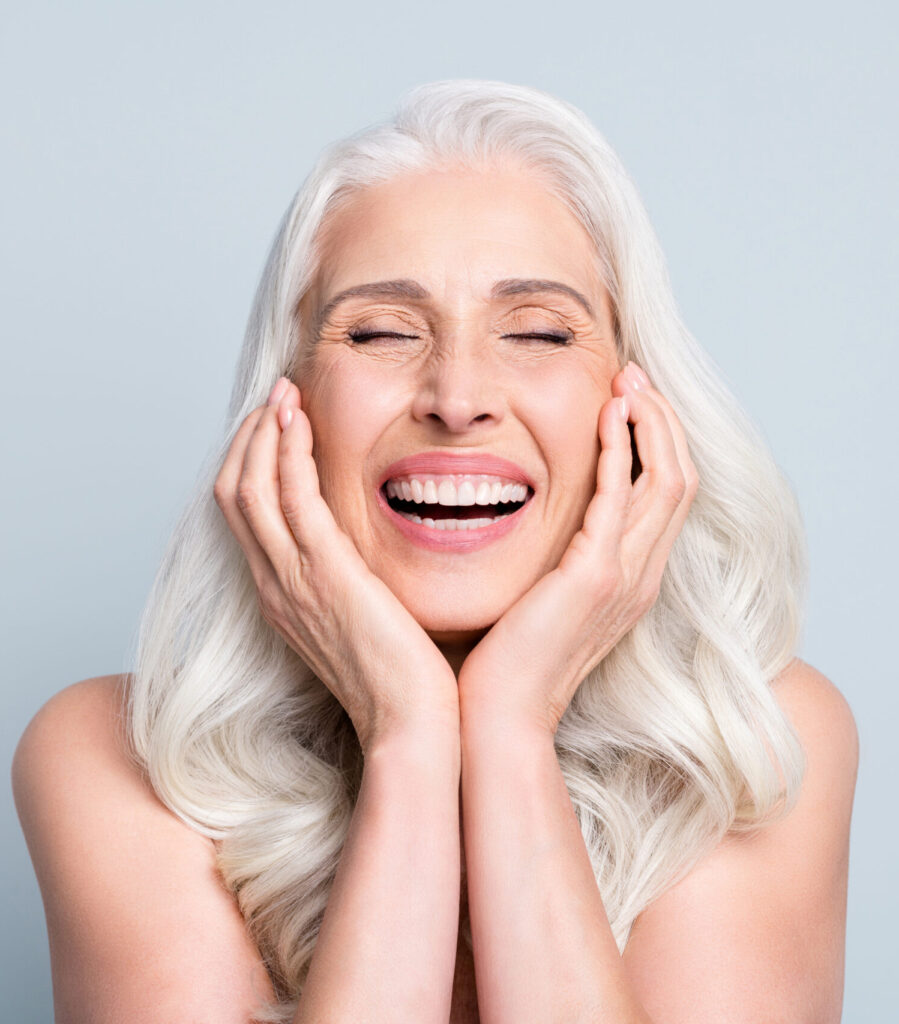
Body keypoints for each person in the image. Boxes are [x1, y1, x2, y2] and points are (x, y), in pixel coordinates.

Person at [12, 79, 858, 1024]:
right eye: (380, 331)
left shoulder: (754, 743)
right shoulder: (110, 758)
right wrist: (407, 732)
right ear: (288, 404)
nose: (457, 399)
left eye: (536, 331)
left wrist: (508, 723)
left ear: (633, 406)